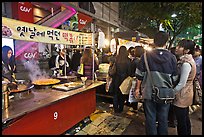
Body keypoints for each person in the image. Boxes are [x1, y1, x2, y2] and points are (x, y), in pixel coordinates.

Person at [135, 31, 178, 135]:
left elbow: (139, 75)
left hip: (149, 92)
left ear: (154, 41)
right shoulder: (172, 58)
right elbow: (175, 78)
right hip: (165, 94)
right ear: (166, 42)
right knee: (163, 118)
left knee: (150, 118)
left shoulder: (145, 56)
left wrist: (137, 89)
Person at [173, 39, 197, 135]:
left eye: (180, 46)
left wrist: (172, 92)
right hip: (186, 93)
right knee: (185, 118)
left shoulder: (186, 63)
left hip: (182, 95)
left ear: (186, 50)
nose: (177, 48)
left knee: (181, 121)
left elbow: (182, 83)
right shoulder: (188, 60)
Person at [112, 46, 131, 113]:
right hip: (124, 80)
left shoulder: (116, 59)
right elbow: (129, 72)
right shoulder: (128, 60)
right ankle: (120, 109)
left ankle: (115, 109)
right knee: (122, 94)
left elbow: (113, 70)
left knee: (115, 94)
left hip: (116, 79)